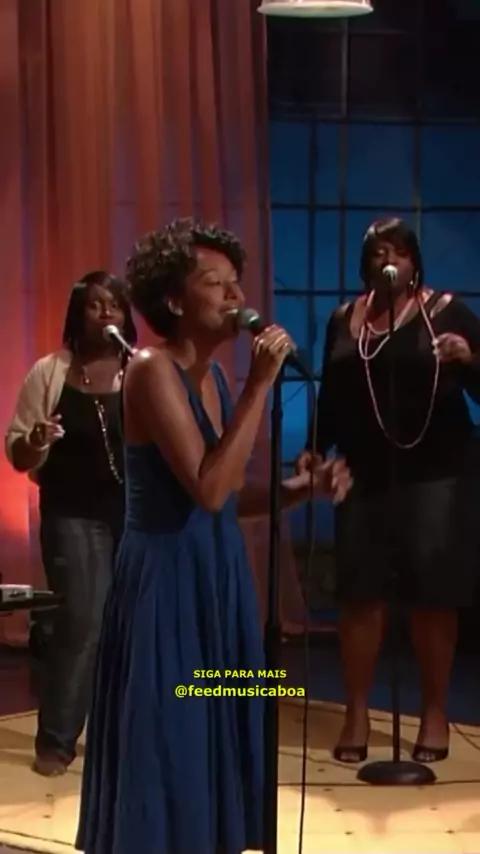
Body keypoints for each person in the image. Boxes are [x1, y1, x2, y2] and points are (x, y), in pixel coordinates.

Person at [75, 218, 352, 854]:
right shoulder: (150, 369)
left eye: (235, 283)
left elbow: (223, 497)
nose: (235, 297)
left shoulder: (217, 379)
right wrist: (261, 383)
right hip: (167, 586)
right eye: (214, 283)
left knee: (212, 734)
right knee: (170, 741)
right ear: (174, 300)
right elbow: (207, 487)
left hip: (217, 577)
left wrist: (297, 489)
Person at [297, 217, 480, 765]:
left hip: (436, 474)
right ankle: (355, 712)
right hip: (364, 474)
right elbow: (332, 392)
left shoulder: (445, 311)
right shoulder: (344, 319)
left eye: (398, 251)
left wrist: (469, 360)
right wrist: (314, 446)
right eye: (378, 252)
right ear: (365, 263)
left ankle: (434, 712)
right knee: (360, 594)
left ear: (415, 261)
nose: (388, 260)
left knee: (432, 596)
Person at [4, 271, 137, 777]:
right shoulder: (50, 373)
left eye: (114, 305)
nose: (105, 313)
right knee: (82, 620)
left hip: (137, 515)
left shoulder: (141, 371)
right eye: (94, 305)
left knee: (133, 624)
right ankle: (57, 740)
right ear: (77, 315)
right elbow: (19, 454)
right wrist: (38, 440)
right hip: (72, 514)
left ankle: (123, 737)